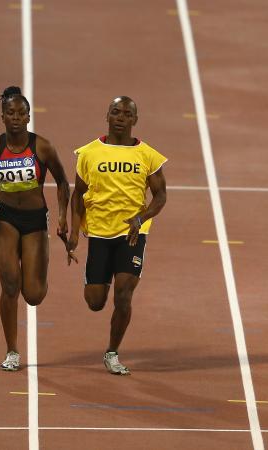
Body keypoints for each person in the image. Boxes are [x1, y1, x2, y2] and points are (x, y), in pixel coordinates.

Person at [0, 86, 71, 371]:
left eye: (21, 113)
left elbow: (63, 182)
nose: (15, 117)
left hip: (36, 219)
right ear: (2, 117)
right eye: (10, 113)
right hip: (5, 219)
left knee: (33, 295)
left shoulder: (43, 147)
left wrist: (62, 217)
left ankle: (35, 268)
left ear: (28, 117)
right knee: (10, 285)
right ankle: (12, 350)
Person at [66, 96, 167, 375]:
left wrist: (141, 218)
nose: (120, 117)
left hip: (132, 232)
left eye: (126, 113)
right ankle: (102, 275)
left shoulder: (148, 156)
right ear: (106, 116)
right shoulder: (88, 153)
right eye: (115, 112)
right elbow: (78, 194)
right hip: (99, 231)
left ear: (135, 120)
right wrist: (75, 231)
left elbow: (160, 197)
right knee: (95, 302)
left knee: (123, 295)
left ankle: (112, 352)